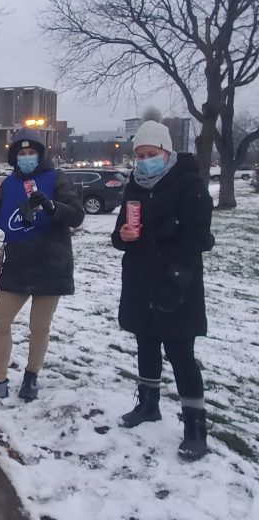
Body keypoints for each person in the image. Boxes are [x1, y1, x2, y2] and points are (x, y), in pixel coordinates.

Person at [112, 117, 214, 462]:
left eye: (151, 153)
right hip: (141, 279)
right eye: (139, 155)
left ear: (167, 152)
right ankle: (148, 404)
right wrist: (123, 236)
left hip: (177, 280)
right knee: (146, 343)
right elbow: (118, 234)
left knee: (181, 353)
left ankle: (195, 427)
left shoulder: (189, 183)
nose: (144, 160)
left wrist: (176, 277)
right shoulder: (135, 185)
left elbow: (196, 237)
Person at [0, 128, 84, 400]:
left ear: (41, 154)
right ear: (14, 157)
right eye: (22, 153)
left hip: (51, 263)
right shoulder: (9, 184)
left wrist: (52, 206)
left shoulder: (55, 178)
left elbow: (76, 215)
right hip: (17, 264)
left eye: (32, 152)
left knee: (39, 326)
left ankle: (31, 377)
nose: (27, 157)